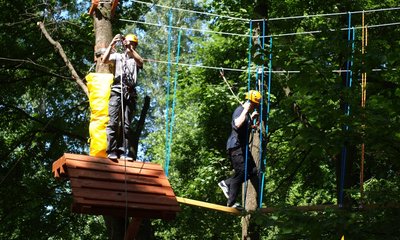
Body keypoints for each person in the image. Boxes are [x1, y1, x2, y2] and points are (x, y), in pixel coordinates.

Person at [102, 34, 143, 161]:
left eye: (132, 43)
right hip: (116, 91)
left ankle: (123, 152)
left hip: (130, 93)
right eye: (128, 43)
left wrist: (130, 50)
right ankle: (111, 150)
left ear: (135, 45)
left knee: (126, 125)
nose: (129, 45)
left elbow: (141, 62)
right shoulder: (119, 57)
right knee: (113, 122)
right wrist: (111, 44)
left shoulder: (135, 59)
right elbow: (104, 60)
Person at [218, 90, 261, 209]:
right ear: (249, 103)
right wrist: (246, 110)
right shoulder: (240, 110)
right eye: (254, 105)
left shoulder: (246, 113)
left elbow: (243, 128)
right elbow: (237, 124)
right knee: (241, 171)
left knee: (252, 171)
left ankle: (226, 183)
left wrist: (251, 118)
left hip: (241, 147)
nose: (255, 107)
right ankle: (231, 203)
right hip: (236, 147)